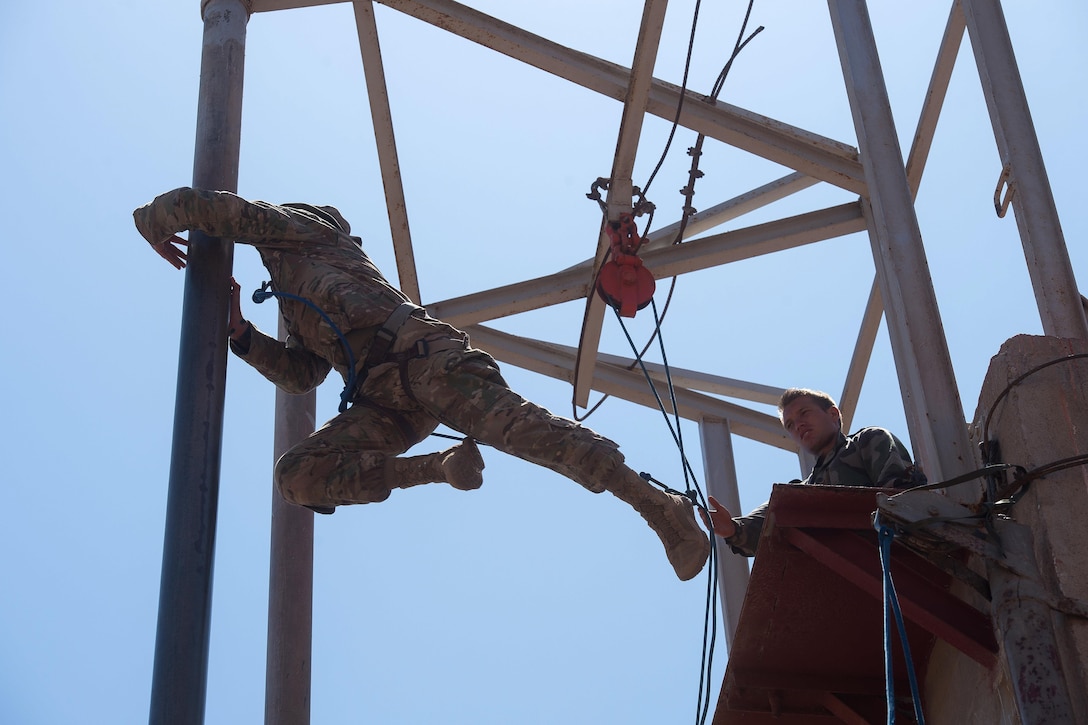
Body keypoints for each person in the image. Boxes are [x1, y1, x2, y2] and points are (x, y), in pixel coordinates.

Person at [134, 186, 710, 581]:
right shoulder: (292, 296)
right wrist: (241, 335)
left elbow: (221, 211)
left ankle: (656, 505)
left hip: (423, 356)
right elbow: (302, 373)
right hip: (384, 400)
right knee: (296, 476)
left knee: (525, 433)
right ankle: (438, 470)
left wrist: (155, 219)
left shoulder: (306, 236)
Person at [703, 388, 925, 557]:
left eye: (804, 413)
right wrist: (732, 529)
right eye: (789, 425)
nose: (798, 425)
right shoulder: (803, 490)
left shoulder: (867, 442)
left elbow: (901, 499)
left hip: (895, 556)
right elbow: (768, 521)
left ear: (833, 414)